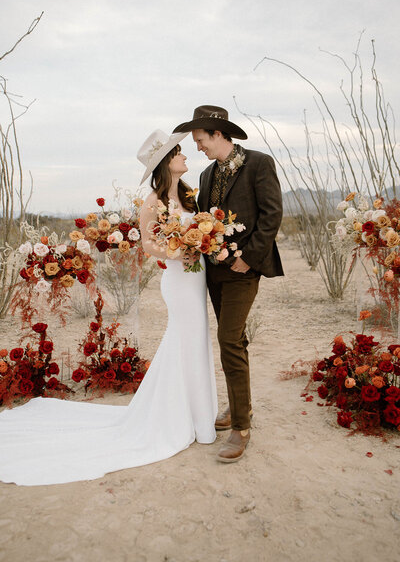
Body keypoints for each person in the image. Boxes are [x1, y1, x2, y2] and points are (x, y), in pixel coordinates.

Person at [0, 129, 217, 486]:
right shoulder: (154, 202)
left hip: (197, 279)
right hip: (179, 280)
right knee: (185, 340)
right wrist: (179, 252)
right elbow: (149, 245)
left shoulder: (190, 198)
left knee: (196, 342)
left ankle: (199, 417)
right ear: (166, 163)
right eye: (178, 152)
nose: (184, 156)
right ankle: (186, 420)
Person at [173, 105, 283, 463]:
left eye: (201, 140)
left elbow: (272, 214)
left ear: (218, 134)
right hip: (214, 272)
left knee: (229, 340)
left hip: (245, 270)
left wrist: (248, 257)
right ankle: (242, 407)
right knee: (234, 339)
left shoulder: (259, 163)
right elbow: (204, 219)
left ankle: (240, 427)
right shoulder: (206, 175)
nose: (199, 147)